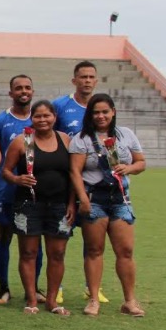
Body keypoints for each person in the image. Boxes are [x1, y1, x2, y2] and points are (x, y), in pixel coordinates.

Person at [69, 94, 147, 317]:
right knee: (94, 250)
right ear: (90, 115)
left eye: (105, 111)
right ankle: (93, 299)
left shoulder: (126, 134)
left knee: (126, 251)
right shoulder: (81, 139)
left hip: (120, 198)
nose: (101, 116)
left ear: (113, 111)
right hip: (94, 199)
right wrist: (82, 198)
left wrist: (128, 168)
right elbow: (75, 171)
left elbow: (141, 162)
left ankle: (130, 301)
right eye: (96, 112)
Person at [3, 100, 74, 315]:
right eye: (38, 116)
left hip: (59, 205)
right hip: (28, 205)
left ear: (54, 117)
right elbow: (6, 171)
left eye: (47, 116)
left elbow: (73, 175)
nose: (42, 120)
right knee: (28, 252)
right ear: (31, 119)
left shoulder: (65, 140)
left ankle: (52, 300)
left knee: (57, 253)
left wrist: (72, 203)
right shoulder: (21, 141)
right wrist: (17, 179)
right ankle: (32, 299)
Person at [53, 60, 108, 305]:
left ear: (96, 80)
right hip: (65, 180)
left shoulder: (100, 108)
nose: (87, 80)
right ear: (74, 80)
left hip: (94, 183)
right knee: (60, 234)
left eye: (91, 77)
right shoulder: (61, 106)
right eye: (82, 76)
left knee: (93, 237)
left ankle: (91, 287)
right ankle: (58, 286)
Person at [0, 74, 35, 305]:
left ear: (33, 92)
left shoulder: (41, 120)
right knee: (4, 235)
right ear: (11, 93)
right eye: (18, 88)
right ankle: (3, 287)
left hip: (35, 189)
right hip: (6, 188)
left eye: (27, 87)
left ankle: (34, 288)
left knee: (34, 238)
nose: (23, 91)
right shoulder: (0, 121)